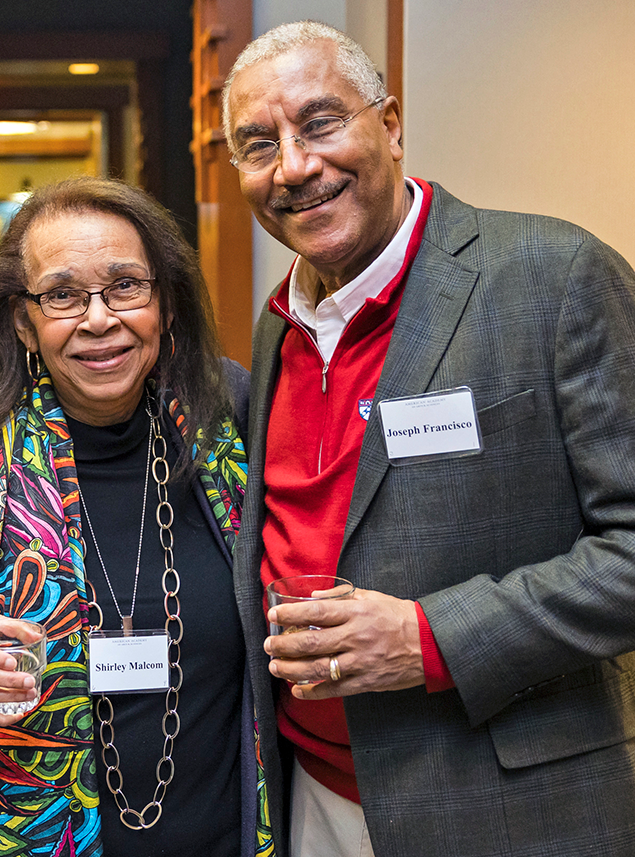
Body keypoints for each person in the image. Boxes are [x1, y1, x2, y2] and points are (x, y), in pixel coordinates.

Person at [222, 19, 635, 857]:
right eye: (259, 144)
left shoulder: (553, 276)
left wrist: (432, 636)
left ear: (393, 123)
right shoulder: (277, 330)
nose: (295, 166)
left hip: (504, 805)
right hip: (310, 796)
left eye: (321, 122)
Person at [0, 176, 276, 857]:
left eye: (126, 285)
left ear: (166, 304)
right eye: (63, 295)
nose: (99, 318)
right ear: (24, 322)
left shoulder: (231, 417)